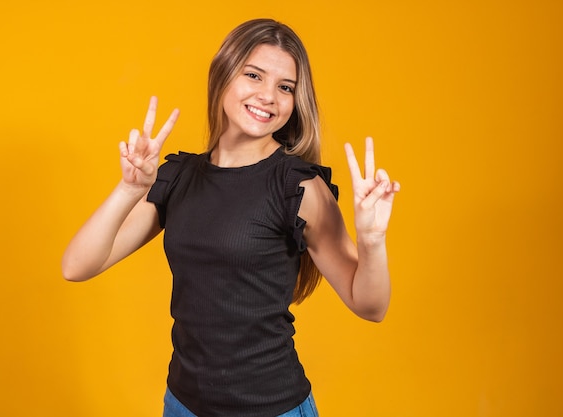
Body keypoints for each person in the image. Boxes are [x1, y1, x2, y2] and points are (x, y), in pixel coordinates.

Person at [62, 18, 400, 417]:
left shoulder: (298, 187)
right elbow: (77, 266)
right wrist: (130, 189)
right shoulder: (178, 177)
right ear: (223, 74)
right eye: (254, 75)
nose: (268, 96)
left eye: (285, 87)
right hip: (184, 405)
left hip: (272, 409)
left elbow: (370, 305)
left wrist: (373, 241)